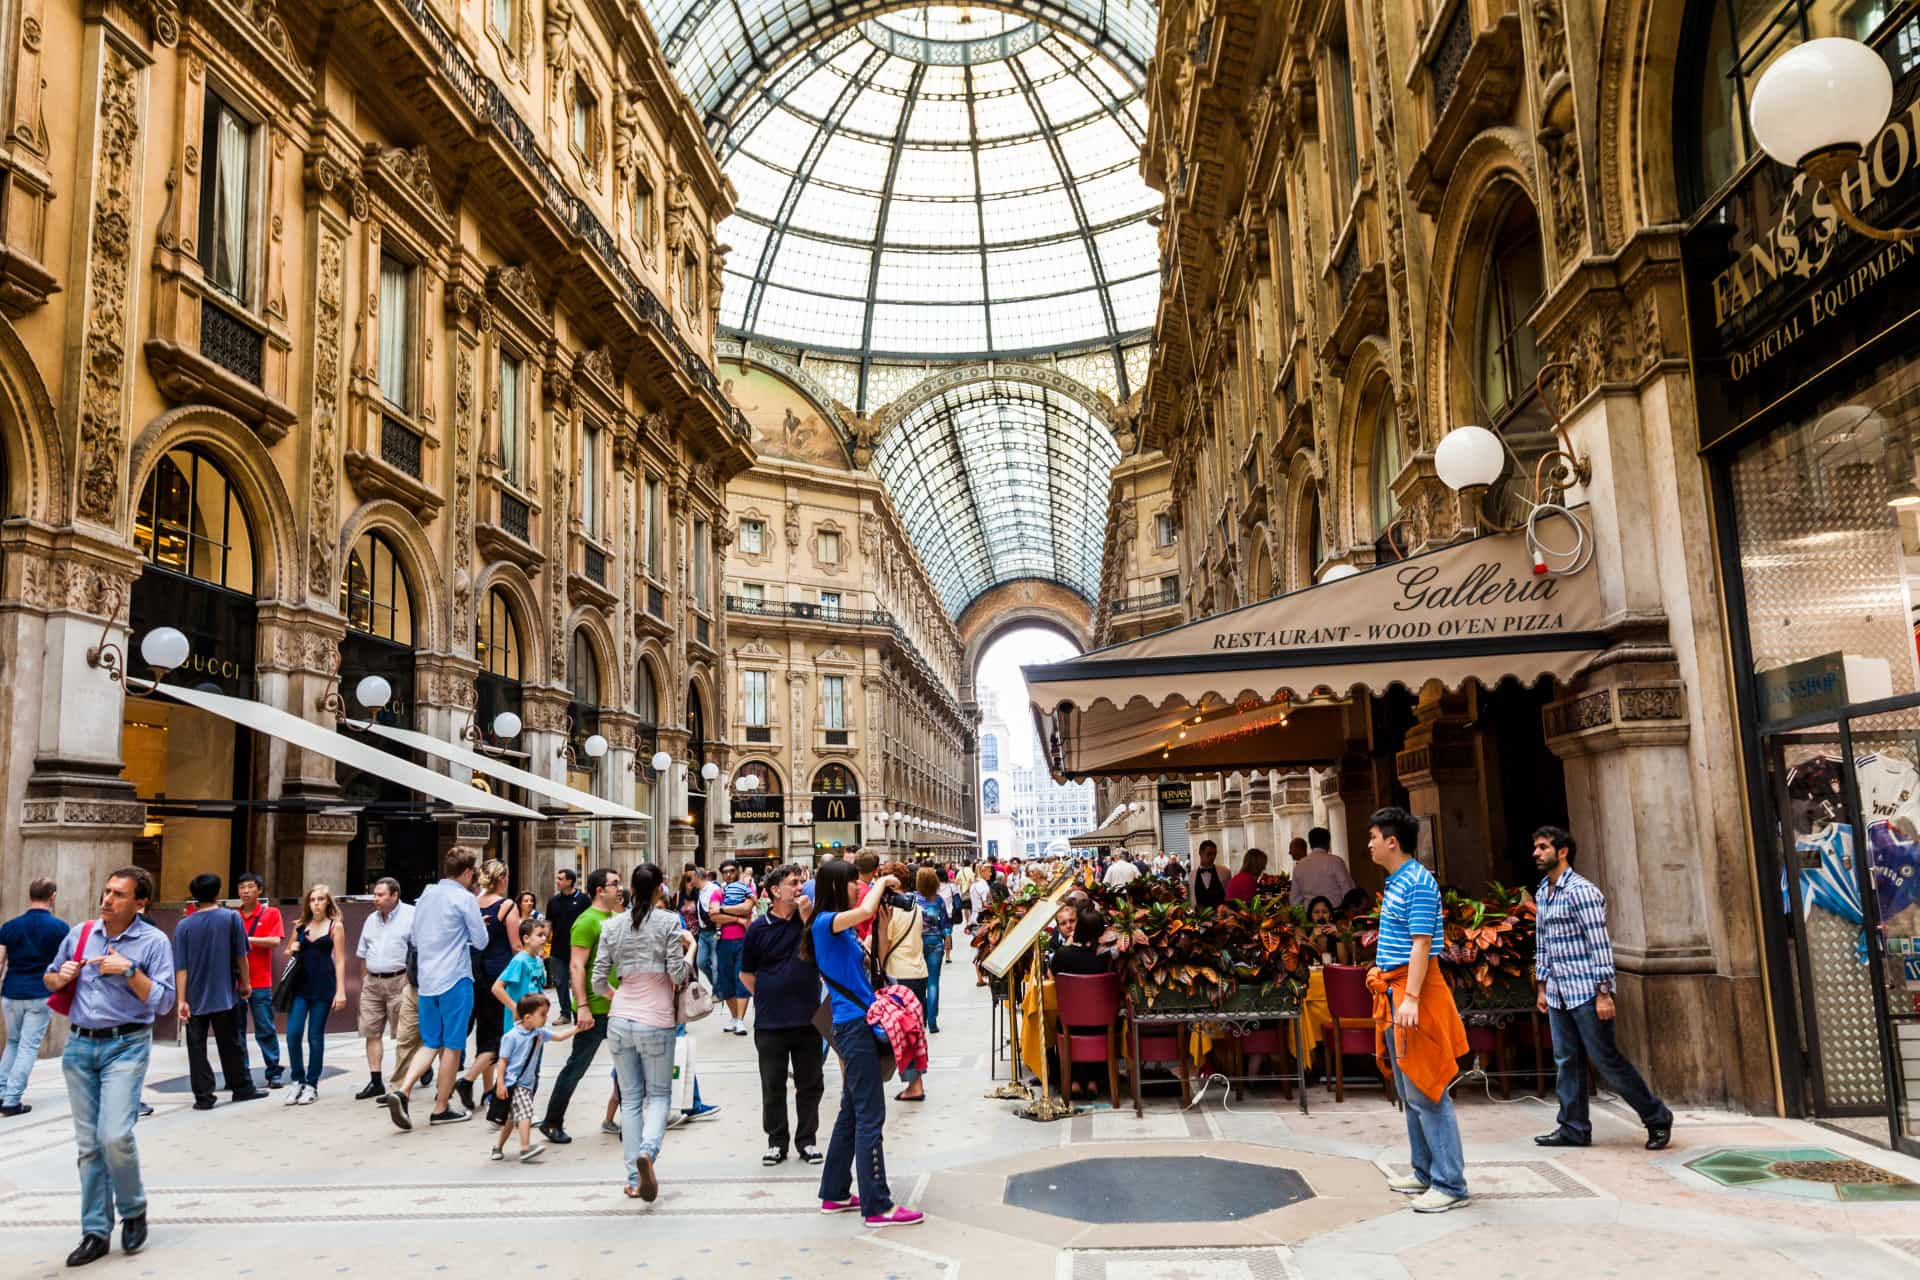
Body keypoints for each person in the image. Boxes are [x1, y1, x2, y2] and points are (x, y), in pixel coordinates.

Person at [42, 866, 175, 1266]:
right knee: (88, 1146)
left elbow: (165, 1002)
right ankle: (95, 1231)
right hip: (80, 1046)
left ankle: (133, 1209)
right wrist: (60, 977)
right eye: (105, 892)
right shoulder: (81, 934)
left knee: (114, 1135)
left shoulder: (154, 942)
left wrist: (129, 971)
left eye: (118, 894)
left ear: (139, 903)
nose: (107, 900)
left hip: (126, 1045)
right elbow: (49, 978)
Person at [1530, 825, 1673, 1152]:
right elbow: (1544, 943)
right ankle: (1573, 1127)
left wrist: (1604, 992)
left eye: (1542, 847)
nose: (1536, 853)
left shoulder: (1582, 891)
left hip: (1587, 991)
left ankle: (1656, 1116)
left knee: (1606, 1059)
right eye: (1535, 848)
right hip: (1558, 992)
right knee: (1567, 1060)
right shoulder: (1543, 891)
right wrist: (1542, 986)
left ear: (1562, 851)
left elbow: (1599, 944)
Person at [802, 859, 922, 1228]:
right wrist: (883, 883)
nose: (859, 886)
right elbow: (865, 908)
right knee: (871, 1115)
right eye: (855, 881)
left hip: (860, 1021)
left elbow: (875, 962)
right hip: (852, 1027)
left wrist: (883, 928)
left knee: (852, 1111)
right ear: (839, 885)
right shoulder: (824, 923)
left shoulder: (843, 930)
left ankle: (835, 1192)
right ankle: (878, 1205)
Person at [1367, 806, 1470, 1214]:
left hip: (1415, 994)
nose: (1370, 844)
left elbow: (1422, 944)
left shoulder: (1419, 883)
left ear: (1392, 841)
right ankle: (1425, 1171)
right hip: (1396, 992)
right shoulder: (1397, 881)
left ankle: (1450, 1182)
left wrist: (1410, 998)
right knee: (1411, 1090)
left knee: (1428, 1089)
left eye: (1373, 837)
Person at [592, 862, 692, 1201]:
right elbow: (678, 975)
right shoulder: (668, 922)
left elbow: (597, 979)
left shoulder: (613, 926)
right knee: (660, 1096)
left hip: (620, 1020)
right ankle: (648, 1151)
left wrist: (617, 996)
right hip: (656, 1019)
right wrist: (690, 948)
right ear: (660, 887)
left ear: (630, 889)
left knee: (630, 1099)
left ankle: (634, 1177)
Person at [381, 848, 487, 1130]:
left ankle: (402, 1090)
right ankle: (441, 1107)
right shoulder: (465, 899)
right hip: (455, 976)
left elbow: (414, 937)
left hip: (426, 980)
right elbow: (481, 940)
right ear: (466, 872)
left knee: (430, 1042)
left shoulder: (426, 896)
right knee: (452, 1046)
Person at [741, 863, 824, 1166]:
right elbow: (746, 974)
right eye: (793, 883)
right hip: (771, 1021)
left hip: (808, 1018)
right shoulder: (758, 929)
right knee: (773, 1084)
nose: (800, 888)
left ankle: (807, 1140)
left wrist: (807, 920)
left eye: (801, 882)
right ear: (775, 891)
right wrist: (768, 994)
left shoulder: (810, 922)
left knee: (810, 1083)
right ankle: (776, 1141)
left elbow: (823, 957)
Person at [539, 866, 621, 1145]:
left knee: (630, 1063)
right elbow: (576, 966)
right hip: (595, 1008)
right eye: (614, 884)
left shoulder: (613, 917)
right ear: (600, 890)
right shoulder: (587, 921)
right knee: (577, 1065)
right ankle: (552, 1121)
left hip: (617, 1005)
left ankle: (627, 1118)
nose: (619, 888)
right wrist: (582, 1007)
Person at [171, 874, 261, 1111]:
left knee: (196, 1047)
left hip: (194, 996)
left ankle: (203, 1096)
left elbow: (181, 967)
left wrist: (181, 999)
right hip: (224, 993)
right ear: (218, 892)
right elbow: (241, 954)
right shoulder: (231, 918)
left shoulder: (184, 926)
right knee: (230, 1043)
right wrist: (246, 982)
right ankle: (241, 1088)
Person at [457, 860, 521, 1110]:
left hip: (474, 972)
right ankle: (468, 1080)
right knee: (497, 1036)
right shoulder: (506, 906)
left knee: (484, 1032)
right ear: (502, 878)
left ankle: (488, 1091)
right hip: (499, 974)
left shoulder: (472, 903)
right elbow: (515, 945)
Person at [0, 877, 66, 1116]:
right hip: (40, 994)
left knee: (13, 1043)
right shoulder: (60, 928)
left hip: (10, 993)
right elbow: (64, 964)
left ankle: (0, 1092)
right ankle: (12, 1099)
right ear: (53, 896)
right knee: (28, 1047)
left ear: (30, 895)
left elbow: (0, 962)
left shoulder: (9, 926)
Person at [491, 993, 578, 1163]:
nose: (545, 1018)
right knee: (526, 1113)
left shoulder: (538, 1032)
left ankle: (498, 1147)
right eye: (543, 1014)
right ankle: (525, 1148)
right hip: (515, 1083)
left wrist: (577, 1029)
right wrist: (500, 1083)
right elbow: (502, 1062)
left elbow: (558, 1037)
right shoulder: (511, 1036)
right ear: (528, 1017)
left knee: (510, 1119)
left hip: (526, 1084)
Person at [282, 884, 347, 1106]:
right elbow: (288, 950)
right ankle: (297, 1080)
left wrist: (341, 990)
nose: (316, 903)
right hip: (300, 985)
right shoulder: (301, 925)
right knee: (293, 1033)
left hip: (323, 985)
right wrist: (294, 947)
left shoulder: (335, 926)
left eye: (320, 899)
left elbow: (339, 960)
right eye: (312, 899)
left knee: (315, 1037)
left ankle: (312, 1084)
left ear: (328, 902)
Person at [354, 876, 413, 1101]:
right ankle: (376, 1080)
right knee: (371, 1031)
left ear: (395, 895)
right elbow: (362, 951)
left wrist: (410, 981)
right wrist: (365, 980)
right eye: (374, 894)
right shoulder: (371, 919)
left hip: (400, 980)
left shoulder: (411, 915)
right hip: (373, 982)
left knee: (405, 1034)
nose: (375, 899)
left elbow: (417, 949)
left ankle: (410, 1075)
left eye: (380, 895)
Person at [1049, 903, 1115, 1099]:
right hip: (1102, 1025)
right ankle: (1094, 1080)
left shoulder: (1061, 955)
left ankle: (1074, 1080)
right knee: (1094, 1021)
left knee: (1065, 1021)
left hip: (1070, 1025)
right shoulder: (1105, 958)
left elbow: (1053, 974)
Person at [876, 863, 928, 1103]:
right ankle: (916, 1082)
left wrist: (881, 928)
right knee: (914, 1031)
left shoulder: (891, 910)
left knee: (903, 1033)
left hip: (899, 974)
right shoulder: (914, 905)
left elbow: (883, 950)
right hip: (918, 971)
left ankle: (914, 1085)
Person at [233, 872, 284, 1089]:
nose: (245, 891)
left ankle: (274, 1071)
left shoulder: (271, 913)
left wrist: (246, 939)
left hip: (261, 981)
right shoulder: (232, 916)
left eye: (250, 887)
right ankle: (241, 1074)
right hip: (234, 982)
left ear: (259, 890)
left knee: (265, 1027)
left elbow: (274, 941)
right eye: (242, 887)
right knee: (237, 1030)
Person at [713, 860, 757, 1035]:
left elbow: (748, 907)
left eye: (732, 871)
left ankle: (739, 1020)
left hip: (743, 941)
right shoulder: (719, 891)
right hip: (723, 941)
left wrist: (724, 909)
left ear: (738, 871)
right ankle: (734, 1016)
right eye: (725, 872)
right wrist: (738, 918)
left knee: (742, 978)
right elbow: (713, 915)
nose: (728, 875)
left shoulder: (746, 888)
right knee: (726, 981)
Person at [493, 918, 552, 1036]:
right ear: (526, 939)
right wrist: (514, 1008)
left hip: (536, 1020)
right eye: (540, 935)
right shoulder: (519, 961)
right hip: (518, 1024)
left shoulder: (539, 961)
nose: (544, 939)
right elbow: (497, 988)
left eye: (545, 935)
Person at [913, 867, 953, 1034]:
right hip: (935, 941)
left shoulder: (913, 899)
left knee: (919, 981)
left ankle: (922, 1017)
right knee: (933, 981)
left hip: (916, 942)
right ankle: (932, 1020)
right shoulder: (938, 900)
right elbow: (945, 922)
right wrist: (948, 938)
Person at [545, 869, 588, 1024]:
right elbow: (548, 923)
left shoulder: (583, 900)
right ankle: (565, 1013)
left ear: (569, 881)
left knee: (579, 981)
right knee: (560, 981)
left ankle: (579, 1011)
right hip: (558, 947)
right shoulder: (553, 901)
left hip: (579, 948)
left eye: (560, 879)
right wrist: (544, 940)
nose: (557, 881)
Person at [1292, 827, 1358, 910]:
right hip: (1335, 914)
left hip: (1311, 915)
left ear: (1310, 844)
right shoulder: (1336, 861)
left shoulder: (1299, 866)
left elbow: (1294, 900)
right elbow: (1348, 890)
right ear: (1328, 843)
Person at [691, 866, 721, 985]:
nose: (692, 881)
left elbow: (718, 910)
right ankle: (717, 985)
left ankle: (717, 992)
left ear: (698, 877)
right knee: (701, 963)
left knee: (715, 965)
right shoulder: (698, 890)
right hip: (703, 932)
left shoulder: (714, 889)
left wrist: (719, 929)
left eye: (693, 878)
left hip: (714, 931)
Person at [1190, 841, 1226, 909]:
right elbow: (1192, 899)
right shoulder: (1192, 875)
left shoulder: (1224, 872)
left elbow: (1228, 896)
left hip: (1221, 916)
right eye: (1209, 854)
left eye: (1214, 854)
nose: (1212, 857)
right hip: (1201, 917)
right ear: (1200, 853)